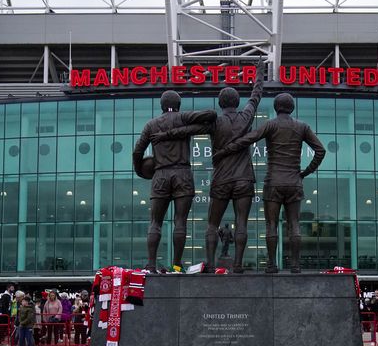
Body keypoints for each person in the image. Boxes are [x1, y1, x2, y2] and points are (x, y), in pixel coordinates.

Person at [152, 80, 263, 272]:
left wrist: (165, 135)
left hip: (221, 179)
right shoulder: (246, 117)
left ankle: (211, 264)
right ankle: (237, 264)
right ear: (237, 102)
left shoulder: (215, 122)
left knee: (212, 224)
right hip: (244, 178)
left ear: (220, 104)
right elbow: (255, 96)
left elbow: (189, 130)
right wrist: (260, 73)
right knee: (242, 222)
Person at [213, 93, 326, 273]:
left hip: (273, 181)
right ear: (292, 107)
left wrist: (224, 151)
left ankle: (272, 264)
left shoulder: (270, 125)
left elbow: (248, 139)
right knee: (294, 224)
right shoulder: (302, 126)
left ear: (276, 107)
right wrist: (305, 172)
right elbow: (320, 150)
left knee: (271, 224)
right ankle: (295, 265)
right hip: (294, 181)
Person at [132, 91, 217, 272]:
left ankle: (151, 264)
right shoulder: (183, 117)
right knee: (181, 221)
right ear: (178, 104)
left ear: (162, 105)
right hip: (182, 173)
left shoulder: (151, 125)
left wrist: (141, 171)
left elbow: (137, 152)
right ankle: (177, 265)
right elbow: (211, 114)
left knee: (155, 222)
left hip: (160, 175)